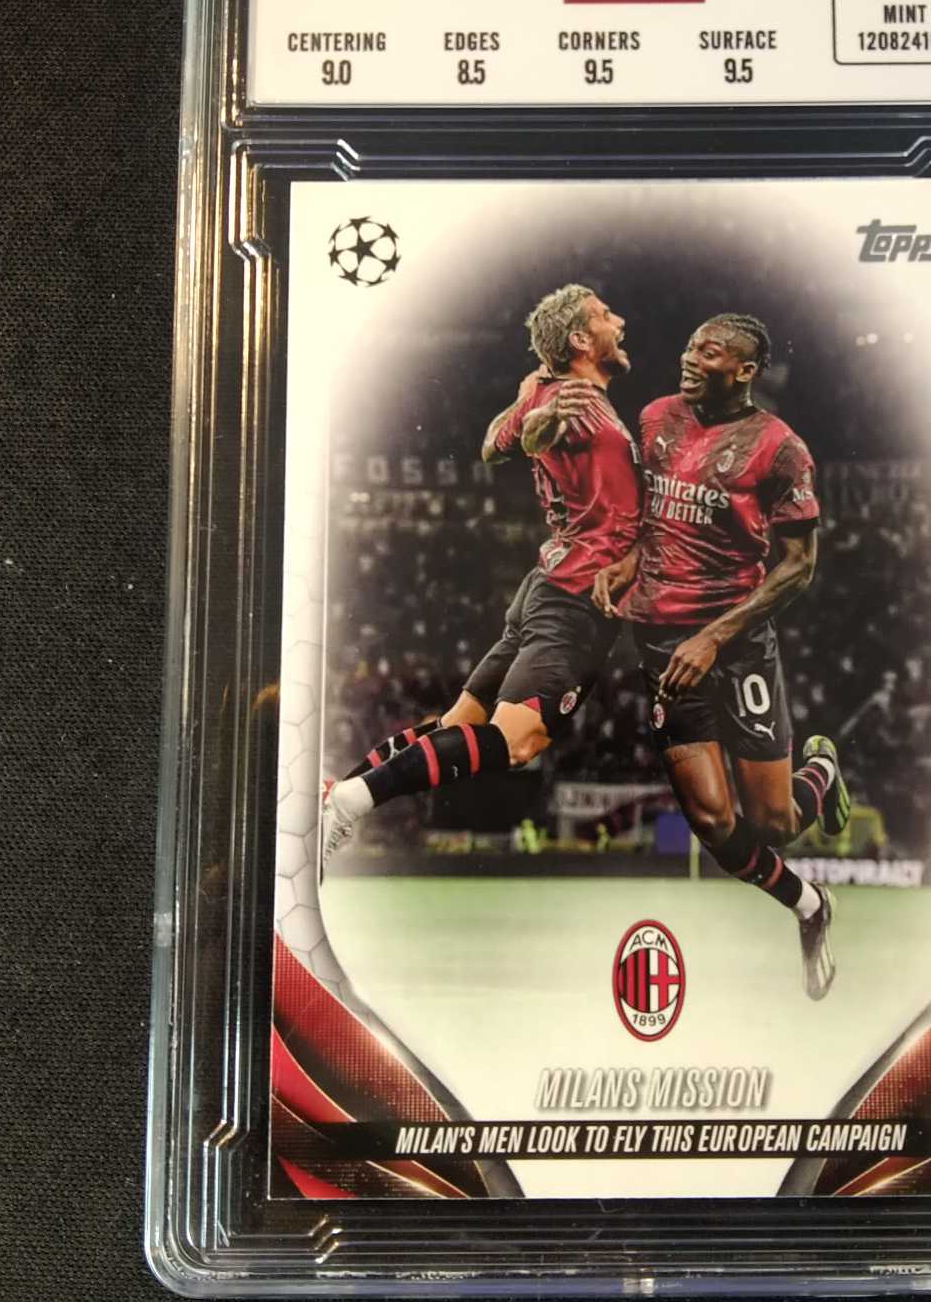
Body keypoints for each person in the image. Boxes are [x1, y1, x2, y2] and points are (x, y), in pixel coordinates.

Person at [320, 284, 639, 874]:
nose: (619, 320)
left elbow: (494, 444)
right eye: (604, 314)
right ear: (579, 339)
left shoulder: (545, 386)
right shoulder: (569, 401)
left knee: (457, 726)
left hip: (550, 585)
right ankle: (351, 799)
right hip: (575, 598)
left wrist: (528, 406)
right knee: (519, 740)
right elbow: (530, 435)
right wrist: (542, 420)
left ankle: (339, 796)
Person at [593, 314, 852, 999]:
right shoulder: (655, 419)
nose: (689, 358)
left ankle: (821, 769)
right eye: (688, 345)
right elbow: (649, 520)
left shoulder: (780, 449)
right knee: (712, 823)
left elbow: (799, 565)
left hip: (735, 646)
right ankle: (809, 905)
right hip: (660, 642)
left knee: (774, 824)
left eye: (708, 353)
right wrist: (627, 564)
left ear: (744, 371)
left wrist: (714, 637)